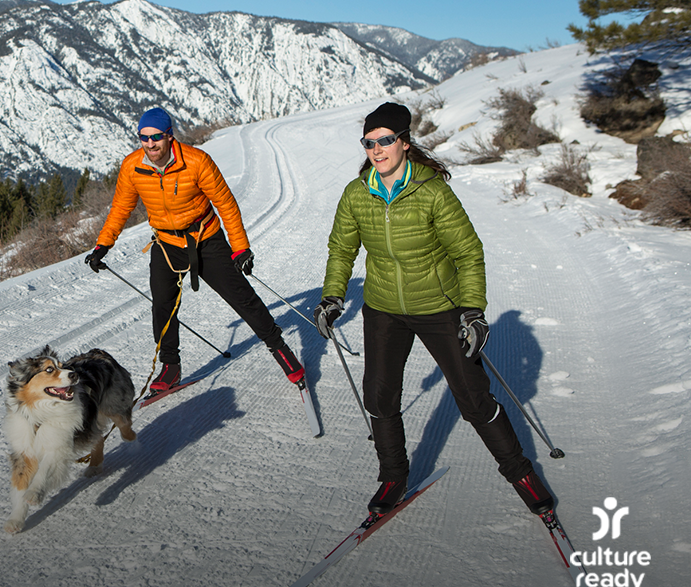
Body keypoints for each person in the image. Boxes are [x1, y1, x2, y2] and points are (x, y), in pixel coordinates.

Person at [313, 102, 554, 516]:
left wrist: (472, 310)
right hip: (384, 308)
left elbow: (468, 253)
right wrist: (333, 296)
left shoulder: (432, 191)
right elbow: (341, 250)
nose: (377, 149)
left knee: (474, 399)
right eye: (369, 142)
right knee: (379, 396)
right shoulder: (357, 193)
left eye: (386, 140)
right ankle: (394, 476)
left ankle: (521, 474)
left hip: (439, 307)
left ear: (404, 142)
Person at [84, 107, 305, 394]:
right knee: (162, 306)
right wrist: (103, 244)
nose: (150, 144)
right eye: (144, 137)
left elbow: (226, 204)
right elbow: (121, 208)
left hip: (206, 240)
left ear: (169, 136)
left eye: (156, 137)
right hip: (166, 243)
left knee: (242, 298)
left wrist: (240, 248)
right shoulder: (132, 167)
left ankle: (280, 349)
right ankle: (170, 367)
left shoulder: (197, 161)